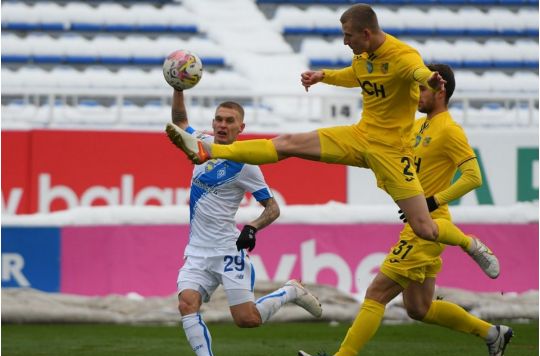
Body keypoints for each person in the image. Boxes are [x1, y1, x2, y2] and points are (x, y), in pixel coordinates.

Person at [164, 3, 499, 279]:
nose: (345, 42)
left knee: (425, 227)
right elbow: (356, 76)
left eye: (348, 36)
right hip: (359, 136)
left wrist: (431, 79)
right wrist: (323, 76)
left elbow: (417, 72)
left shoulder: (403, 56)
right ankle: (209, 150)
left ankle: (470, 244)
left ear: (366, 34)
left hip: (392, 153)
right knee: (289, 143)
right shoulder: (363, 56)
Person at [297, 64, 513, 356]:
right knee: (419, 308)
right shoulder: (417, 126)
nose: (416, 95)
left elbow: (473, 177)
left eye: (422, 89)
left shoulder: (450, 130)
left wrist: (432, 201)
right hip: (419, 221)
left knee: (376, 293)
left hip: (430, 225)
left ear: (440, 89)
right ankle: (492, 333)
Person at [168, 88, 323, 356]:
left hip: (228, 251)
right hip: (197, 252)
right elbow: (179, 121)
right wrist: (178, 88)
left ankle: (290, 291)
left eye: (229, 121)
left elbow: (273, 208)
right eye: (218, 119)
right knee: (187, 304)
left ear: (241, 128)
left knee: (247, 319)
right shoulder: (201, 143)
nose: (222, 125)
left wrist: (252, 227)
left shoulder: (246, 163)